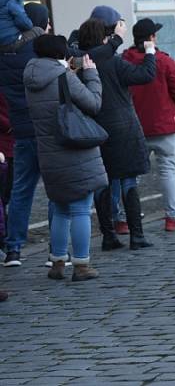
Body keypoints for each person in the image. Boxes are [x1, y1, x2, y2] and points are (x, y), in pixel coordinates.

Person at [23, 34, 105, 281]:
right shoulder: (63, 77)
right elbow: (93, 103)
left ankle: (58, 261)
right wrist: (91, 74)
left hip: (49, 153)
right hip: (73, 150)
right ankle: (81, 265)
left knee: (60, 208)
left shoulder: (30, 78)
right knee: (81, 209)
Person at [79, 18, 156, 251]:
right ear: (104, 38)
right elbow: (146, 74)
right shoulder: (114, 62)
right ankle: (137, 235)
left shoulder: (80, 62)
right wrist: (150, 52)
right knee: (128, 181)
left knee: (103, 183)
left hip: (96, 129)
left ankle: (108, 235)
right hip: (124, 128)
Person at [122, 18, 175, 232]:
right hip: (163, 125)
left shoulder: (124, 60)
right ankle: (172, 217)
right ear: (152, 38)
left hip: (134, 125)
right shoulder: (164, 60)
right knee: (168, 170)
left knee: (129, 175)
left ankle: (124, 219)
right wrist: (168, 107)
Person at [0, 7, 47, 267]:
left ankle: (14, 249)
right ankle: (58, 252)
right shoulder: (38, 53)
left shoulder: (5, 55)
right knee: (57, 192)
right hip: (44, 129)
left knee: (21, 191)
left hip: (19, 130)